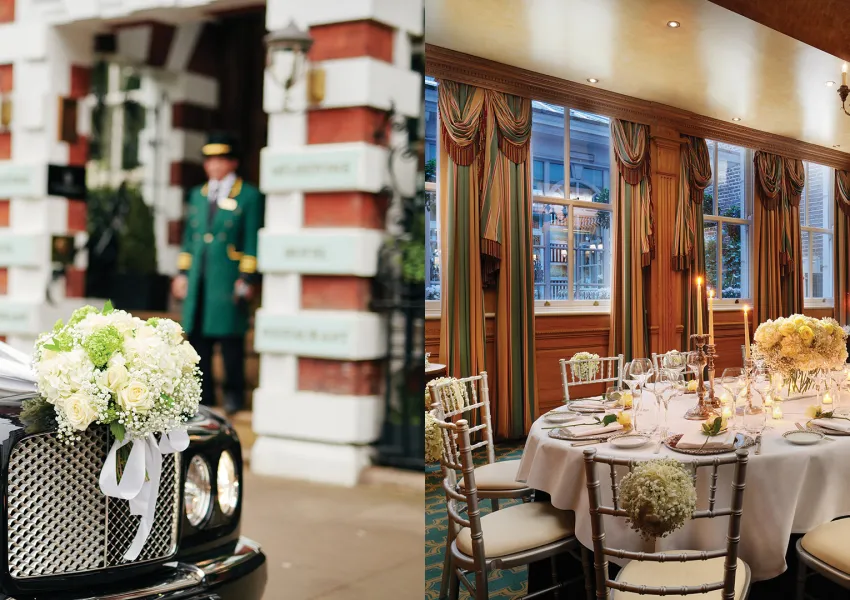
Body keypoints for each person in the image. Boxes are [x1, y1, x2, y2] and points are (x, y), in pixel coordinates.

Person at [172, 132, 263, 414]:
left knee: (230, 338)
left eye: (220, 160)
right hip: (200, 277)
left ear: (232, 162)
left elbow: (252, 240)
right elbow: (190, 238)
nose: (213, 165)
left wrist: (247, 277)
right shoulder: (198, 195)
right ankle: (204, 396)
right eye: (209, 160)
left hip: (226, 278)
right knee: (198, 340)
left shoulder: (248, 196)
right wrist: (182, 273)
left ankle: (234, 395)